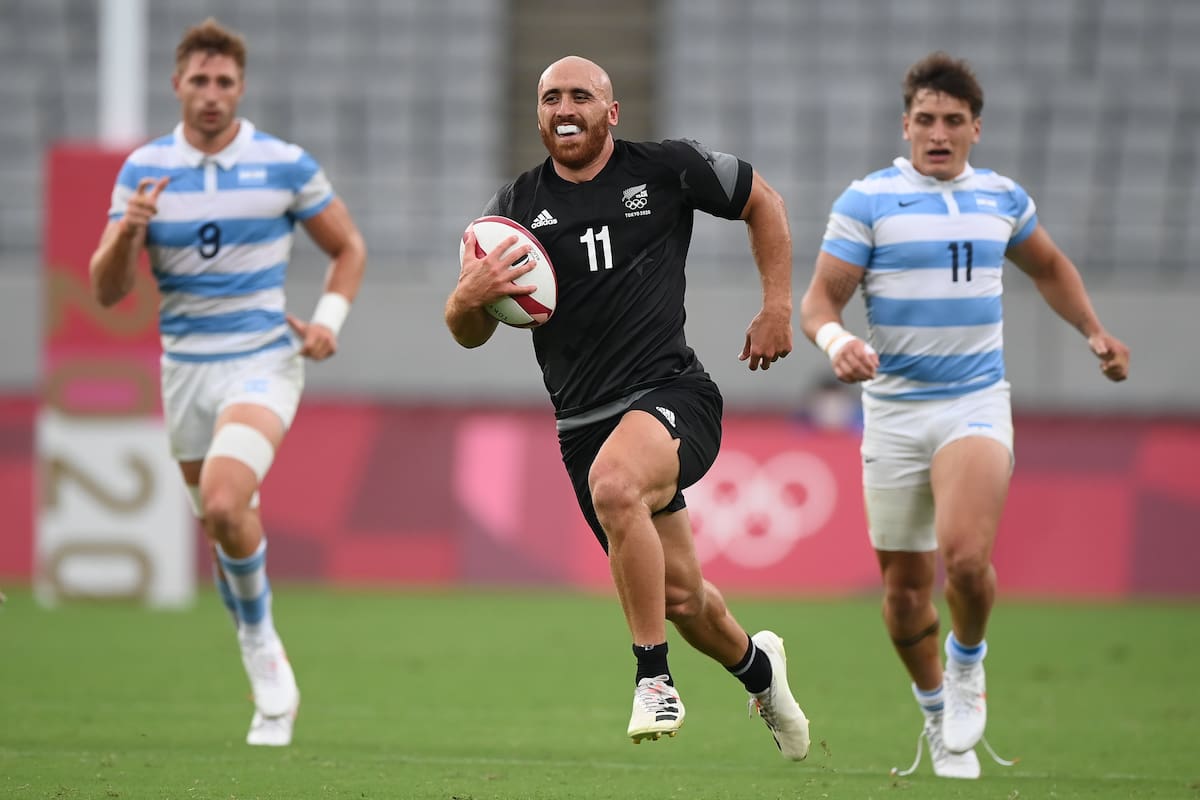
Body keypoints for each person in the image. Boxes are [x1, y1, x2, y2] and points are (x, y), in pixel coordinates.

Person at [445, 56, 810, 758]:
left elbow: (764, 199)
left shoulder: (667, 168)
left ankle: (653, 677)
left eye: (581, 95)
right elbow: (467, 334)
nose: (565, 107)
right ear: (540, 114)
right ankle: (763, 674)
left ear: (611, 112)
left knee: (616, 487)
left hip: (672, 393)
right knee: (682, 600)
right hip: (581, 425)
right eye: (551, 96)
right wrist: (466, 296)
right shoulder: (511, 212)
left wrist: (776, 305)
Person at [800, 51, 1130, 779]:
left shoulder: (1002, 199)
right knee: (904, 591)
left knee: (968, 557)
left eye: (953, 120)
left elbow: (1047, 266)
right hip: (892, 413)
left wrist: (1094, 332)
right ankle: (936, 713)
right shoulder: (870, 201)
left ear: (975, 128)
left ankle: (968, 663)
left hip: (973, 402)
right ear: (906, 125)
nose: (938, 132)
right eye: (926, 119)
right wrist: (838, 340)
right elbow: (819, 302)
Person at [88, 18, 367, 747]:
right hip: (185, 371)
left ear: (240, 88)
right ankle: (255, 620)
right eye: (199, 80)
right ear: (177, 84)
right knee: (222, 522)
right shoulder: (144, 172)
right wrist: (127, 231)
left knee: (220, 498)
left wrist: (329, 318)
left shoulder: (282, 165)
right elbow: (108, 291)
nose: (211, 94)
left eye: (224, 83)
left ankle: (259, 649)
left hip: (263, 359)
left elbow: (347, 247)